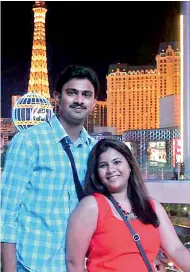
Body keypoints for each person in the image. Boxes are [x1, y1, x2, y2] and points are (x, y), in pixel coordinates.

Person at [1, 65, 99, 272]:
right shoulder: (28, 141)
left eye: (86, 95)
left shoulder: (94, 150)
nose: (79, 100)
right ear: (57, 97)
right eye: (71, 93)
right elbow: (6, 215)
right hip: (32, 265)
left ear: (93, 102)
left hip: (76, 267)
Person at [66, 138, 190, 272]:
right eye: (103, 165)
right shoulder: (91, 206)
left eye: (117, 162)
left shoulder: (151, 206)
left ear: (129, 165)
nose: (110, 170)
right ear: (97, 173)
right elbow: (74, 263)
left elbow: (176, 250)